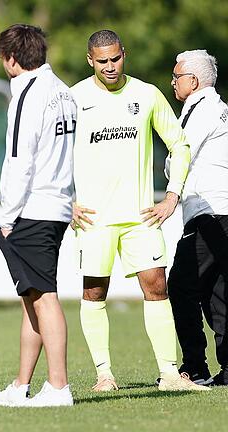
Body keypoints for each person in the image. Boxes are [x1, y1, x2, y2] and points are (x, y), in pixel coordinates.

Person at [71, 29, 208, 392]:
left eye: (116, 58)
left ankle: (169, 374)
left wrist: (172, 196)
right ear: (90, 61)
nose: (110, 66)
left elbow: (179, 145)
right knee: (94, 293)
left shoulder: (146, 94)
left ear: (123, 54)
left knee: (156, 286)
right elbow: (50, 154)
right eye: (102, 61)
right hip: (93, 219)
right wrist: (65, 200)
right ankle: (104, 374)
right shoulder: (74, 98)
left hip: (140, 216)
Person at [0, 24, 75, 408]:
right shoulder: (63, 91)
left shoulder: (28, 93)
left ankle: (58, 387)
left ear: (10, 59)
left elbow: (20, 159)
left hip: (33, 208)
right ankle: (21, 385)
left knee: (45, 298)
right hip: (56, 205)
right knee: (32, 297)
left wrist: (8, 216)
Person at [167, 49, 228, 386]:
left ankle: (195, 366)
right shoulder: (218, 109)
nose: (173, 82)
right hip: (221, 212)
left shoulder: (200, 110)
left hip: (208, 212)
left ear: (193, 81)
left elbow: (180, 157)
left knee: (181, 286)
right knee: (217, 291)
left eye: (177, 77)